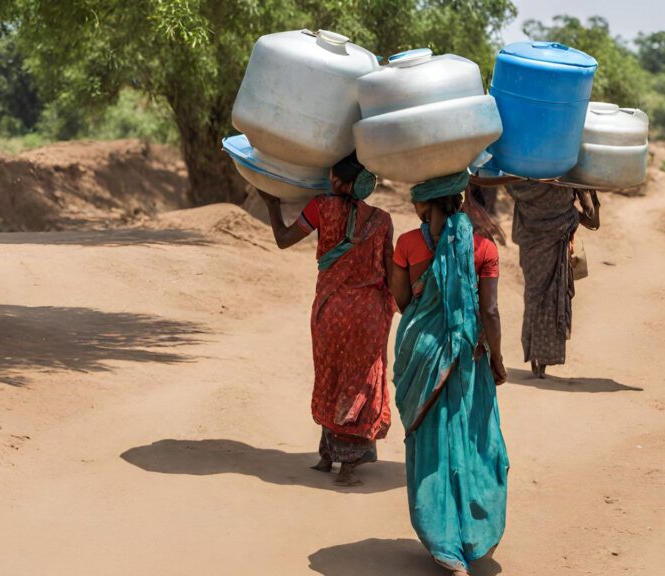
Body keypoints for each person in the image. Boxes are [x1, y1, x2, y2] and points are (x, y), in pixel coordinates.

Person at [390, 171, 509, 576]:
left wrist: (428, 294)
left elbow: (401, 300)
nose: (413, 208)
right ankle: (471, 536)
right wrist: (497, 359)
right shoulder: (483, 248)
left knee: (432, 449)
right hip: (468, 357)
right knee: (475, 444)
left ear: (428, 203)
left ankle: (443, 544)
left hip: (422, 357)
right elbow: (489, 312)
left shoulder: (407, 244)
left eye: (416, 200)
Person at [257, 152, 395, 486]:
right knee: (359, 381)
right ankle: (347, 461)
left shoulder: (320, 207)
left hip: (330, 310)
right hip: (369, 313)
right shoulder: (382, 220)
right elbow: (390, 273)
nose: (330, 181)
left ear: (342, 182)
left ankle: (328, 455)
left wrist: (272, 205)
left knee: (331, 374)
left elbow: (283, 239)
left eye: (335, 176)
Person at [503, 180, 600, 378]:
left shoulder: (524, 178)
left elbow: (506, 182)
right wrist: (589, 198)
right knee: (551, 298)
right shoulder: (571, 178)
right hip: (554, 243)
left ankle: (535, 358)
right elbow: (593, 221)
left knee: (534, 298)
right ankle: (542, 360)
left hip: (530, 246)